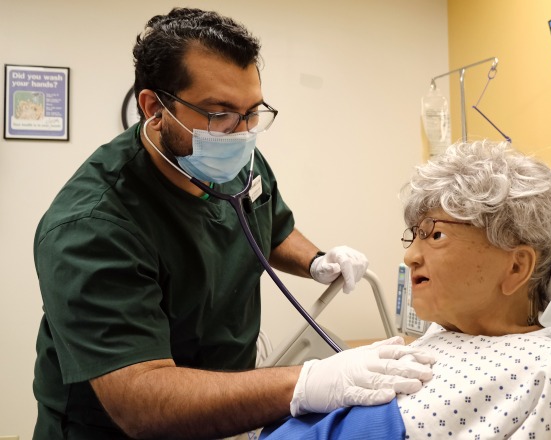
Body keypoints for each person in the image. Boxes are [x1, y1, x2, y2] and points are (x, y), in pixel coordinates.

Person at [32, 8, 433, 440]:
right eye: (218, 112)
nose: (242, 132)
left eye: (253, 112)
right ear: (154, 107)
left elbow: (270, 225)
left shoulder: (232, 158)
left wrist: (316, 261)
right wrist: (307, 382)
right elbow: (140, 399)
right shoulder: (91, 227)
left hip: (224, 407)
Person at [260, 140, 551, 439]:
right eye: (413, 236)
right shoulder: (438, 337)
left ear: (516, 266)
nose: (409, 256)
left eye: (435, 235)